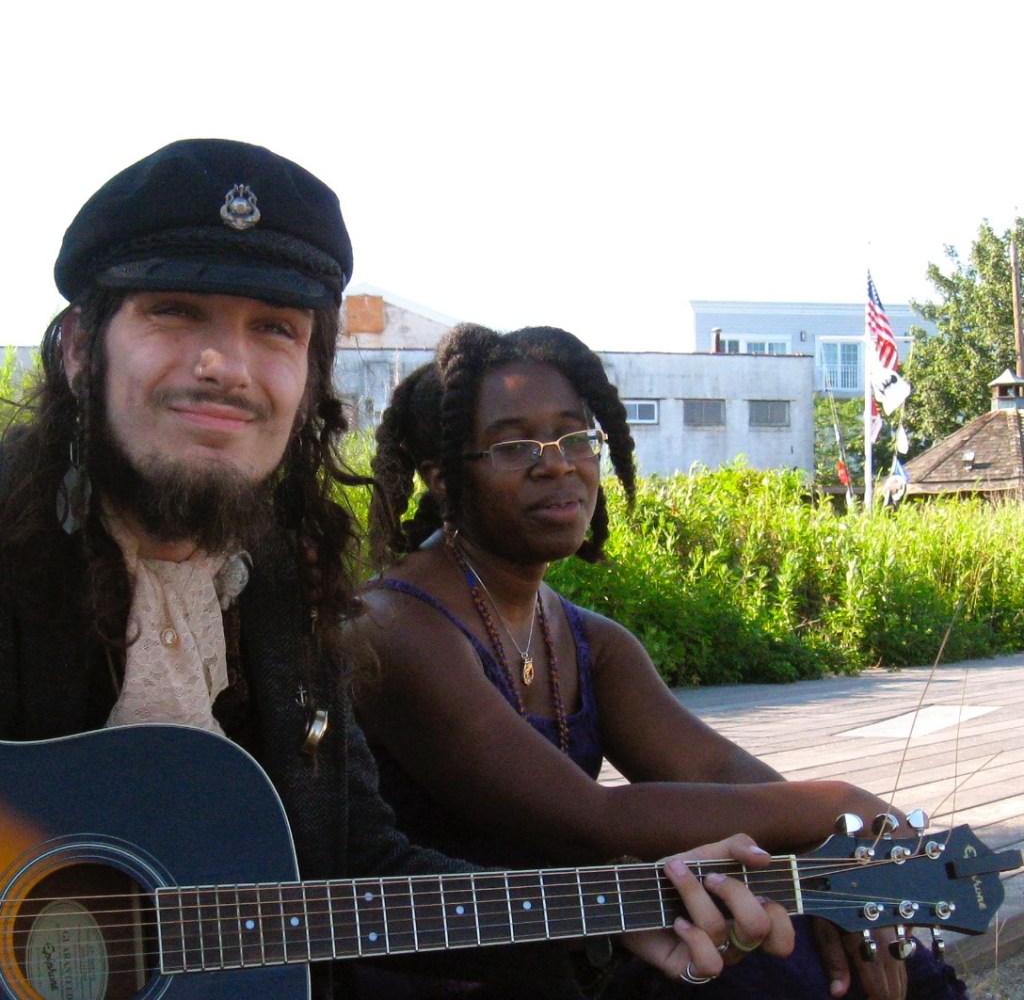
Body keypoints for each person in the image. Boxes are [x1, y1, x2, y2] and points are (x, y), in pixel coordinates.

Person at [0, 140, 791, 1000]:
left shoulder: (283, 591)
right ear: (80, 349)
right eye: (174, 311)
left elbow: (360, 862)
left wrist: (611, 909)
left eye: (274, 328)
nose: (225, 365)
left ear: (309, 377)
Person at [354, 322, 970, 1000]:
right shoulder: (399, 628)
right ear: (442, 479)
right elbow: (587, 817)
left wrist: (829, 869)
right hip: (473, 960)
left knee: (851, 946)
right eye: (514, 445)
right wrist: (844, 807)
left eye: (575, 437)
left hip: (592, 932)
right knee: (762, 973)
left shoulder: (589, 640)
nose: (558, 463)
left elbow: (717, 771)